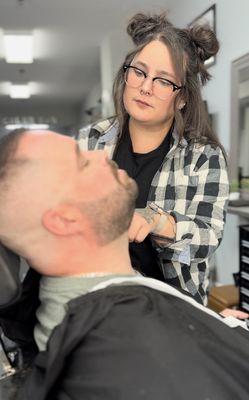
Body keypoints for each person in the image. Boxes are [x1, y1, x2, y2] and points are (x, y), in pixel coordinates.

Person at [0, 129, 249, 400]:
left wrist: (213, 330)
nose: (100, 154)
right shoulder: (139, 358)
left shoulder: (98, 301)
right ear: (64, 220)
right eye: (82, 162)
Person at [78, 12, 229, 305]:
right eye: (139, 72)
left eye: (163, 81)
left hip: (172, 308)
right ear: (127, 72)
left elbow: (207, 240)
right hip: (96, 297)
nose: (145, 87)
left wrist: (159, 222)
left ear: (182, 97)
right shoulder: (91, 140)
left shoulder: (203, 157)